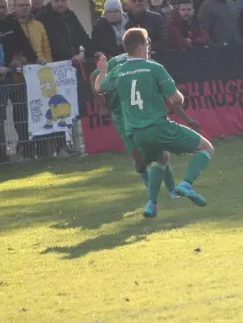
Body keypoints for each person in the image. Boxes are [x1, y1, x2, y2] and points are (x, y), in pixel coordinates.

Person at [94, 28, 214, 218]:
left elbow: (99, 88)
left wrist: (102, 71)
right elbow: (176, 100)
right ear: (141, 47)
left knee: (161, 159)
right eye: (147, 44)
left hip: (137, 133)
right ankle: (186, 184)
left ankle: (151, 204)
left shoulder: (118, 70)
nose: (148, 48)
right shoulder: (153, 67)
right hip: (158, 126)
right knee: (206, 148)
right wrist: (178, 97)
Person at [90, 49, 199, 198]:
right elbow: (94, 77)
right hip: (122, 116)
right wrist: (102, 104)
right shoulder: (117, 63)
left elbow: (167, 96)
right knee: (141, 160)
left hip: (144, 114)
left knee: (160, 151)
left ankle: (173, 191)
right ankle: (142, 169)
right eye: (144, 45)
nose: (147, 50)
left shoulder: (151, 66)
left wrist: (186, 118)